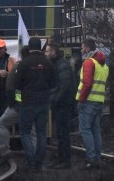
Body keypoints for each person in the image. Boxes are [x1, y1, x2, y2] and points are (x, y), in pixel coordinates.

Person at [13, 37, 55, 172]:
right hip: (43, 102)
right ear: (41, 47)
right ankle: (39, 161)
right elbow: (53, 83)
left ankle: (31, 159)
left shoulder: (24, 63)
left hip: (28, 103)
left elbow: (17, 84)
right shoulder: (48, 63)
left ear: (29, 47)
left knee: (25, 132)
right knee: (41, 132)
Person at [0, 46, 34, 162]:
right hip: (38, 104)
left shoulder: (19, 66)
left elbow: (10, 86)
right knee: (34, 131)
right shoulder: (41, 65)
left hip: (20, 105)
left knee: (1, 124)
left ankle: (5, 150)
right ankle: (35, 158)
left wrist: (12, 103)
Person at [77, 38, 109, 170]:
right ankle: (97, 158)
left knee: (85, 130)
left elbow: (87, 83)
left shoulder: (89, 63)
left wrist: (81, 99)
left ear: (88, 49)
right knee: (95, 130)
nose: (81, 50)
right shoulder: (104, 65)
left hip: (88, 101)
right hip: (99, 102)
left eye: (82, 47)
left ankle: (91, 159)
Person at [45, 42, 74, 170]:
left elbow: (65, 85)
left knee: (63, 133)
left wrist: (56, 100)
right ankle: (61, 158)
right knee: (60, 133)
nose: (45, 54)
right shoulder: (59, 64)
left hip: (63, 104)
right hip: (61, 104)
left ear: (53, 52)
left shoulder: (61, 65)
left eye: (47, 51)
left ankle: (65, 161)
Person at [0, 39, 15, 122]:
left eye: (0, 48)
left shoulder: (12, 60)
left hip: (7, 93)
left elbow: (16, 74)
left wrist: (8, 74)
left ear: (5, 49)